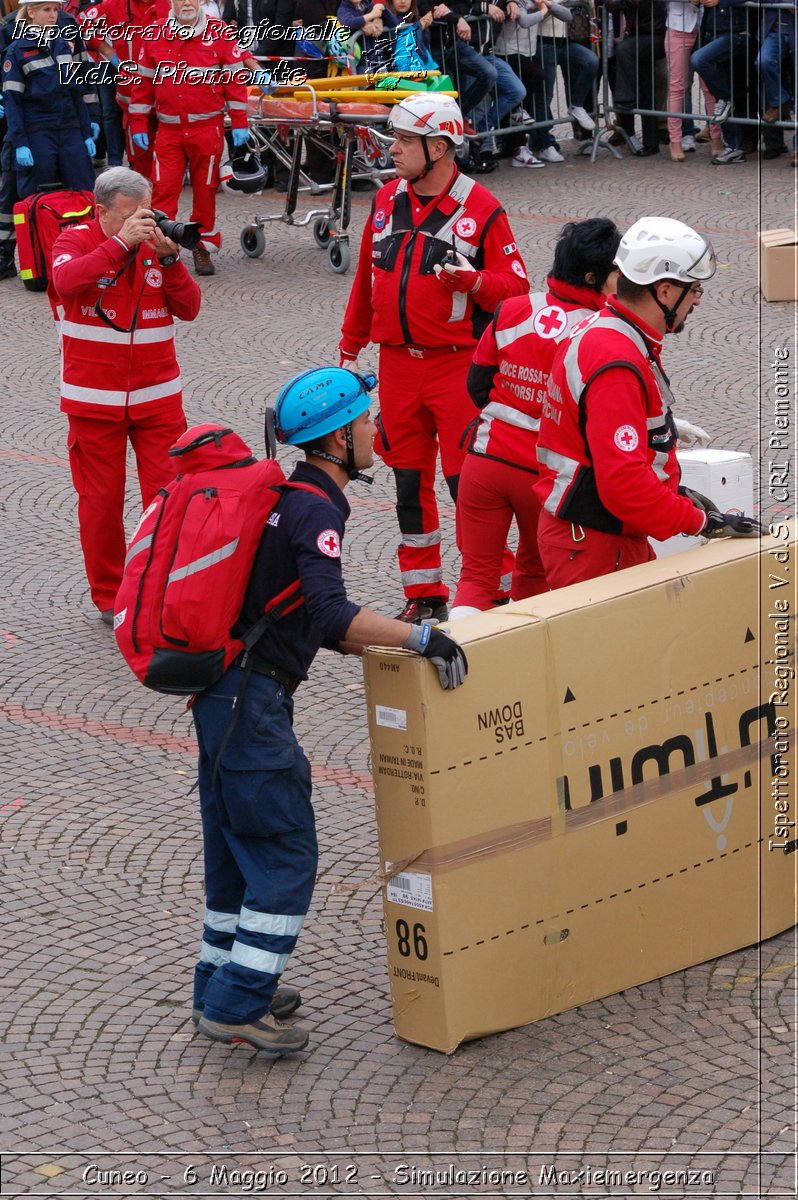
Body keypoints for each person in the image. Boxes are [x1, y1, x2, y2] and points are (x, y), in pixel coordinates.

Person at [192, 366, 468, 1054]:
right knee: (285, 852)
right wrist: (420, 635)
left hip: (221, 697)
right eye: (368, 420)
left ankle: (222, 980)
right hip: (251, 707)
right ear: (339, 436)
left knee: (234, 854)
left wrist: (373, 648)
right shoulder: (318, 508)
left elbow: (313, 622)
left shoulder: (293, 493)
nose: (378, 429)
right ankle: (236, 1005)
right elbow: (328, 610)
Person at [339, 93, 529, 623]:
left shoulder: (483, 207)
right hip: (397, 365)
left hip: (457, 367)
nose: (392, 149)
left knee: (467, 486)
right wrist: (350, 346)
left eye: (403, 140)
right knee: (407, 484)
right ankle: (424, 594)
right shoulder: (383, 201)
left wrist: (474, 281)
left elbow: (517, 290)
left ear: (439, 147)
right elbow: (365, 279)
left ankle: (493, 590)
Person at [534, 216, 759, 589]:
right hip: (597, 543)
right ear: (666, 291)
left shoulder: (610, 331)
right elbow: (622, 483)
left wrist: (673, 494)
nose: (699, 300)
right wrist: (703, 523)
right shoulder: (616, 359)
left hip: (599, 534)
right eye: (695, 289)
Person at [49, 166, 201, 621]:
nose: (143, 223)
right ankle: (111, 596)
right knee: (101, 503)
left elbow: (189, 308)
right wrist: (118, 245)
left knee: (171, 496)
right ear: (101, 212)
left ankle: (162, 584)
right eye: (130, 215)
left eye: (147, 212)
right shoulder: (75, 240)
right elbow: (66, 282)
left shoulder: (156, 246)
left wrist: (171, 260)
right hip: (94, 400)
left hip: (158, 399)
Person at [450, 217, 620, 619]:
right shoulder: (600, 330)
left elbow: (477, 386)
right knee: (533, 576)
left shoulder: (513, 309)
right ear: (595, 277)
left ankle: (456, 661)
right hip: (543, 476)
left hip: (485, 463)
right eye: (617, 272)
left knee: (475, 579)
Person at [128, 0, 251, 275]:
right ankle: (162, 249)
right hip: (168, 130)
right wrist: (137, 122)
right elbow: (142, 83)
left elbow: (235, 80)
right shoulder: (155, 33)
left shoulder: (219, 33)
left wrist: (240, 120)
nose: (187, 2)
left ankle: (202, 247)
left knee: (205, 192)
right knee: (162, 191)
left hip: (207, 128)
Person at [1, 0, 97, 200]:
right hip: (37, 130)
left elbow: (75, 92)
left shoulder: (63, 46)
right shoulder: (17, 51)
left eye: (55, 9)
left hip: (69, 128)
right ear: (31, 12)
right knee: (36, 195)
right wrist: (20, 143)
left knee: (84, 188)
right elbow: (13, 102)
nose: (53, 15)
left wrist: (86, 131)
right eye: (47, 9)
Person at [78, 0, 171, 180]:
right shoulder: (114, 5)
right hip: (132, 99)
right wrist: (106, 50)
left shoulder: (170, 5)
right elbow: (83, 22)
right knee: (141, 168)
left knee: (168, 163)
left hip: (166, 98)